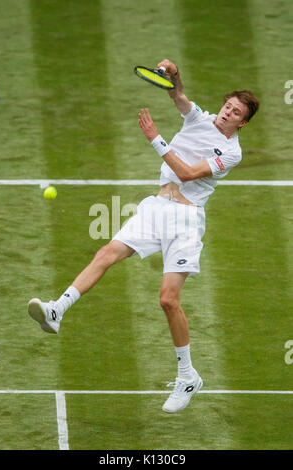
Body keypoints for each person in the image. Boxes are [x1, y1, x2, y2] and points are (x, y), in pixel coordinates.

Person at [28, 59, 259, 413]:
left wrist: (155, 138)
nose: (226, 113)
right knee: (106, 252)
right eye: (227, 106)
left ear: (242, 122)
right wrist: (174, 73)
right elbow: (178, 94)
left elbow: (185, 173)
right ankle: (57, 310)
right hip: (156, 207)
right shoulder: (199, 116)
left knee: (168, 300)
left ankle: (187, 376)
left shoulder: (231, 152)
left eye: (234, 113)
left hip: (185, 220)